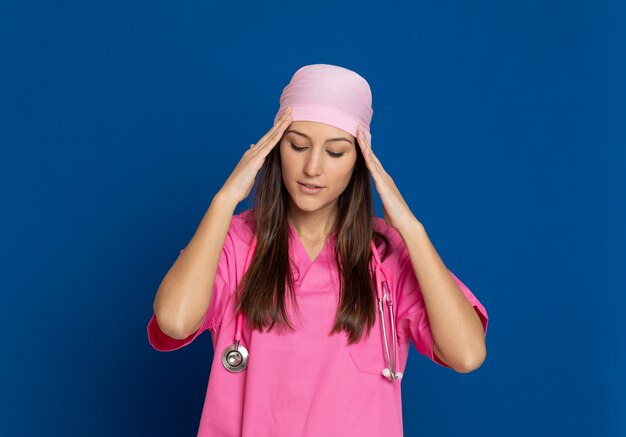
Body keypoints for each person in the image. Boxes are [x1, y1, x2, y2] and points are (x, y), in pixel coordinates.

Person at [146, 64, 489, 437]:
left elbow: (467, 354)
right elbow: (174, 321)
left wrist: (410, 229)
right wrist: (225, 199)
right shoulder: (236, 242)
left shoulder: (387, 256)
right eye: (298, 145)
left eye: (335, 153)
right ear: (275, 149)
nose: (312, 168)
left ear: (360, 161)